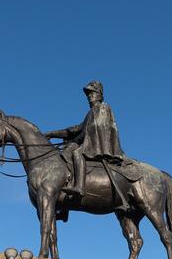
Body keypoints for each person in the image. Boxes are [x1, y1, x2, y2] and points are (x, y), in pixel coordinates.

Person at [44, 81, 128, 209]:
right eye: (88, 95)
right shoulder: (90, 113)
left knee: (77, 153)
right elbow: (74, 129)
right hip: (90, 141)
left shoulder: (104, 108)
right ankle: (63, 203)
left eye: (92, 93)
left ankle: (80, 187)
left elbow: (97, 127)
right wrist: (52, 134)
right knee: (65, 152)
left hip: (98, 144)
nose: (89, 97)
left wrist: (78, 138)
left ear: (99, 94)